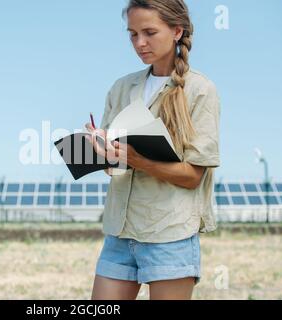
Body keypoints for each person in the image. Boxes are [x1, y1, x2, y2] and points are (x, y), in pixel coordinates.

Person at [85, 0, 221, 300]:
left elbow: (192, 177)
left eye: (149, 32)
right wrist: (101, 151)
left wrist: (138, 159)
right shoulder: (121, 87)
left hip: (170, 234)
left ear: (176, 31)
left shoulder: (200, 90)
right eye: (132, 34)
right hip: (120, 233)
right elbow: (115, 168)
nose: (140, 43)